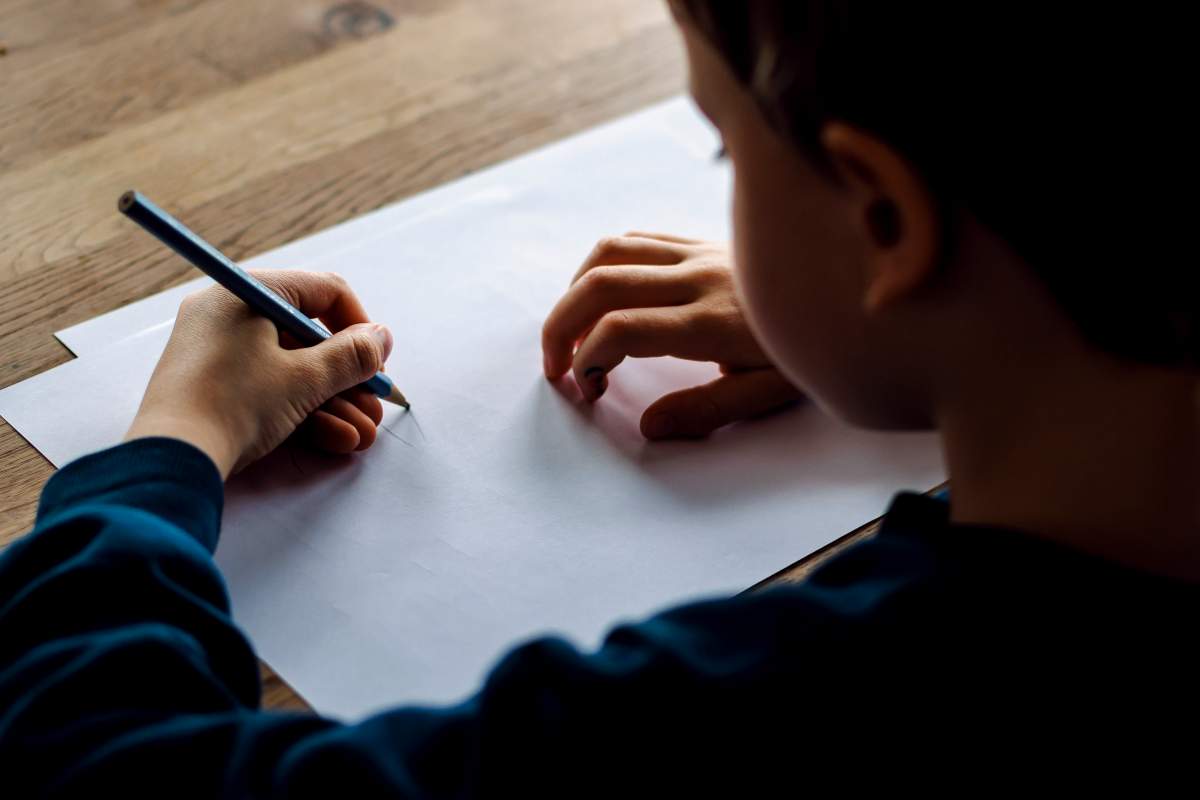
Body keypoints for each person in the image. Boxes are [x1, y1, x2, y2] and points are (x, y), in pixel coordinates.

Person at [1, 1, 1195, 795]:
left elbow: (91, 763)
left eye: (727, 151)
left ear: (884, 216)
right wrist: (934, 323)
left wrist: (164, 452)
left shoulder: (798, 713)